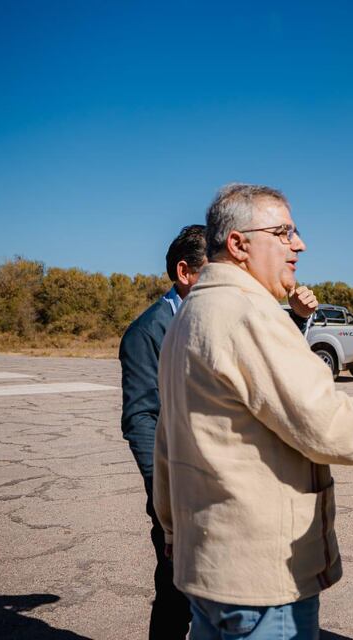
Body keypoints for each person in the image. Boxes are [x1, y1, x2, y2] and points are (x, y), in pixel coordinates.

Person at [153, 183, 353, 640]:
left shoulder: (191, 314)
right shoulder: (246, 313)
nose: (299, 244)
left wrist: (173, 532)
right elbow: (326, 425)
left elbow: (167, 444)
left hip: (208, 565)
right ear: (239, 244)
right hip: (259, 580)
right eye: (284, 232)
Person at [119, 224, 206, 639]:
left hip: (218, 486)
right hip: (176, 490)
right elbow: (141, 418)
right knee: (176, 596)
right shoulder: (146, 332)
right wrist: (164, 496)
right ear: (185, 272)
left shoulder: (214, 323)